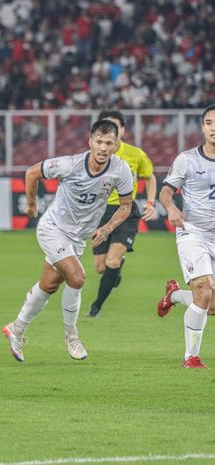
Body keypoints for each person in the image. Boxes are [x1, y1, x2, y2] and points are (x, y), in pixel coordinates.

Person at [2, 120, 133, 362]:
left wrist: (107, 227)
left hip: (78, 238)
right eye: (99, 142)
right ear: (90, 141)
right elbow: (32, 172)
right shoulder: (69, 164)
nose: (103, 148)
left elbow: (126, 206)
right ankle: (72, 336)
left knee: (49, 285)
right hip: (52, 229)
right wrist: (32, 204)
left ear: (115, 145)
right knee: (77, 277)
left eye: (109, 143)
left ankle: (16, 328)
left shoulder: (121, 170)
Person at [155, 103, 215, 369]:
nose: (214, 128)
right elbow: (166, 191)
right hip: (193, 232)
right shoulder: (187, 159)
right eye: (209, 123)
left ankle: (176, 295)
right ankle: (190, 356)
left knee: (210, 305)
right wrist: (170, 207)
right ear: (202, 128)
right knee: (203, 292)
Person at [87, 110, 158, 317]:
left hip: (125, 210)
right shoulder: (95, 154)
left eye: (115, 127)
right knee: (101, 268)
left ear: (123, 130)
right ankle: (114, 273)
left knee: (112, 261)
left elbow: (150, 177)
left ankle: (96, 307)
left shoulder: (135, 154)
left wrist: (151, 202)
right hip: (100, 212)